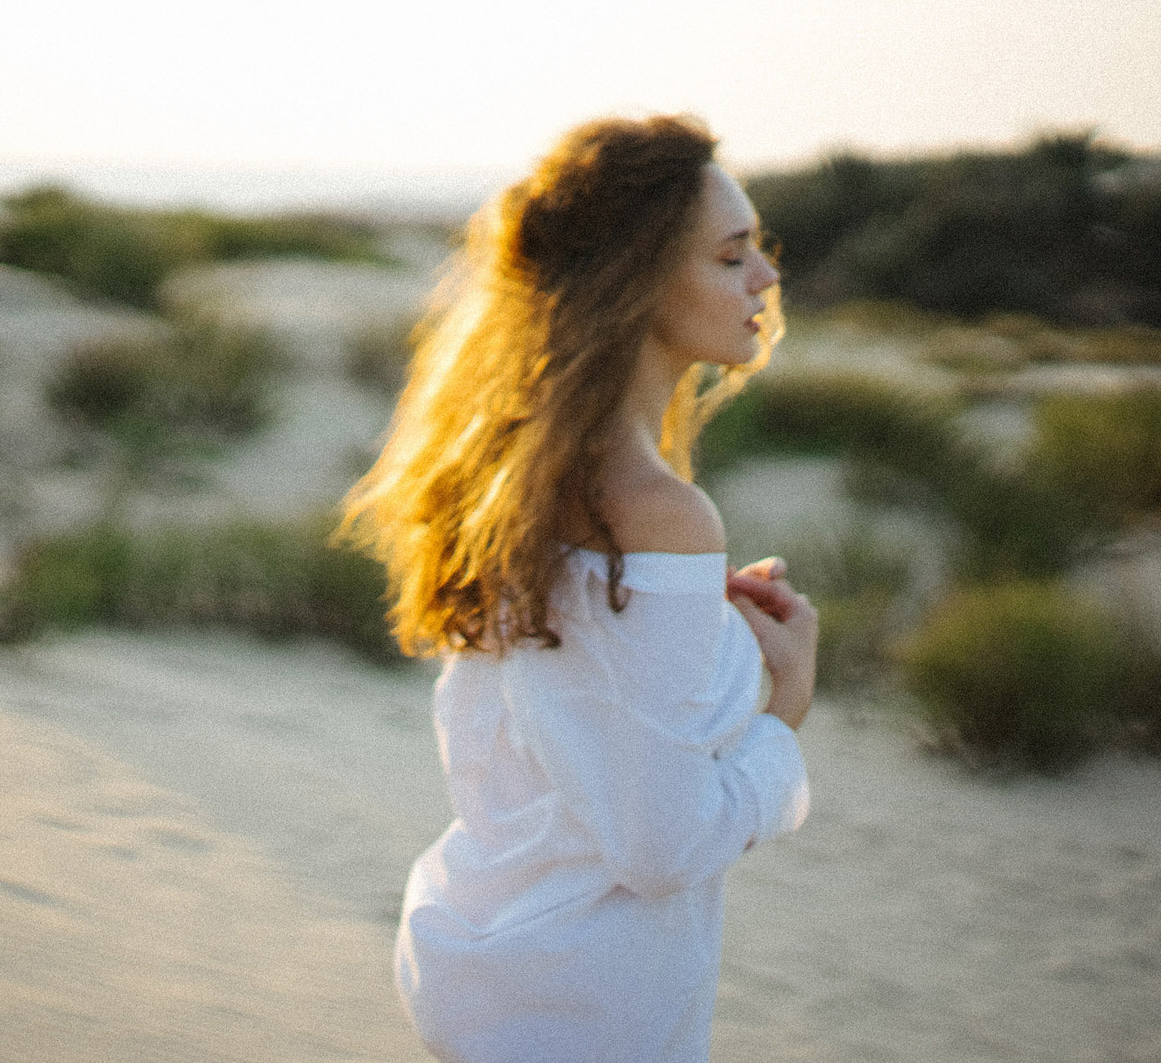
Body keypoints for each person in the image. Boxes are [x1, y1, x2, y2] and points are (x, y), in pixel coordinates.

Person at [340, 115, 818, 1062]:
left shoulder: (520, 481)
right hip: (596, 1013)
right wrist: (786, 705)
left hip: (492, 978)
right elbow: (663, 847)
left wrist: (699, 633)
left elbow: (563, 727)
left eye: (759, 248)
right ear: (639, 280)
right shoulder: (656, 512)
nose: (766, 277)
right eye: (731, 256)